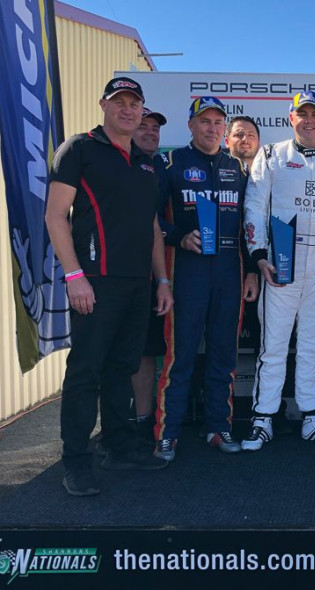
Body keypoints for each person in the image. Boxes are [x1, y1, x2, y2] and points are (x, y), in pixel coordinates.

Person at [46, 76, 172, 496]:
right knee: (86, 373)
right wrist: (74, 276)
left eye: (134, 103)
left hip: (137, 283)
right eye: (120, 102)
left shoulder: (146, 162)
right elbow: (55, 216)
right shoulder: (79, 149)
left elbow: (152, 227)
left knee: (123, 368)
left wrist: (162, 280)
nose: (127, 109)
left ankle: (119, 448)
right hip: (95, 282)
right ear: (104, 105)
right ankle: (76, 462)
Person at [154, 96, 259, 460]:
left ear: (224, 129)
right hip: (188, 270)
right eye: (204, 121)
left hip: (230, 270)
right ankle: (167, 433)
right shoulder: (171, 163)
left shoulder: (238, 168)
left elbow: (251, 223)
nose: (211, 128)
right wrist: (178, 237)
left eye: (217, 122)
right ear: (190, 125)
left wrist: (251, 271)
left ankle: (219, 426)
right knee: (180, 355)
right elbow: (152, 219)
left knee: (223, 354)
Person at [241, 91, 315, 450]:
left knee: (313, 345)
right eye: (302, 114)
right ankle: (262, 418)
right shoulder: (272, 154)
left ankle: (312, 416)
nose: (309, 120)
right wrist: (259, 255)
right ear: (291, 118)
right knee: (273, 345)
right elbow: (255, 206)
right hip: (281, 260)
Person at [130, 107, 168, 441]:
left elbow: (162, 224)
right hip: (113, 276)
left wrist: (164, 280)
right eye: (144, 126)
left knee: (147, 351)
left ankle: (143, 421)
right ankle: (115, 427)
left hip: (156, 277)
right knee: (114, 354)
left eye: (155, 128)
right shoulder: (109, 161)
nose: (150, 133)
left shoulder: (160, 168)